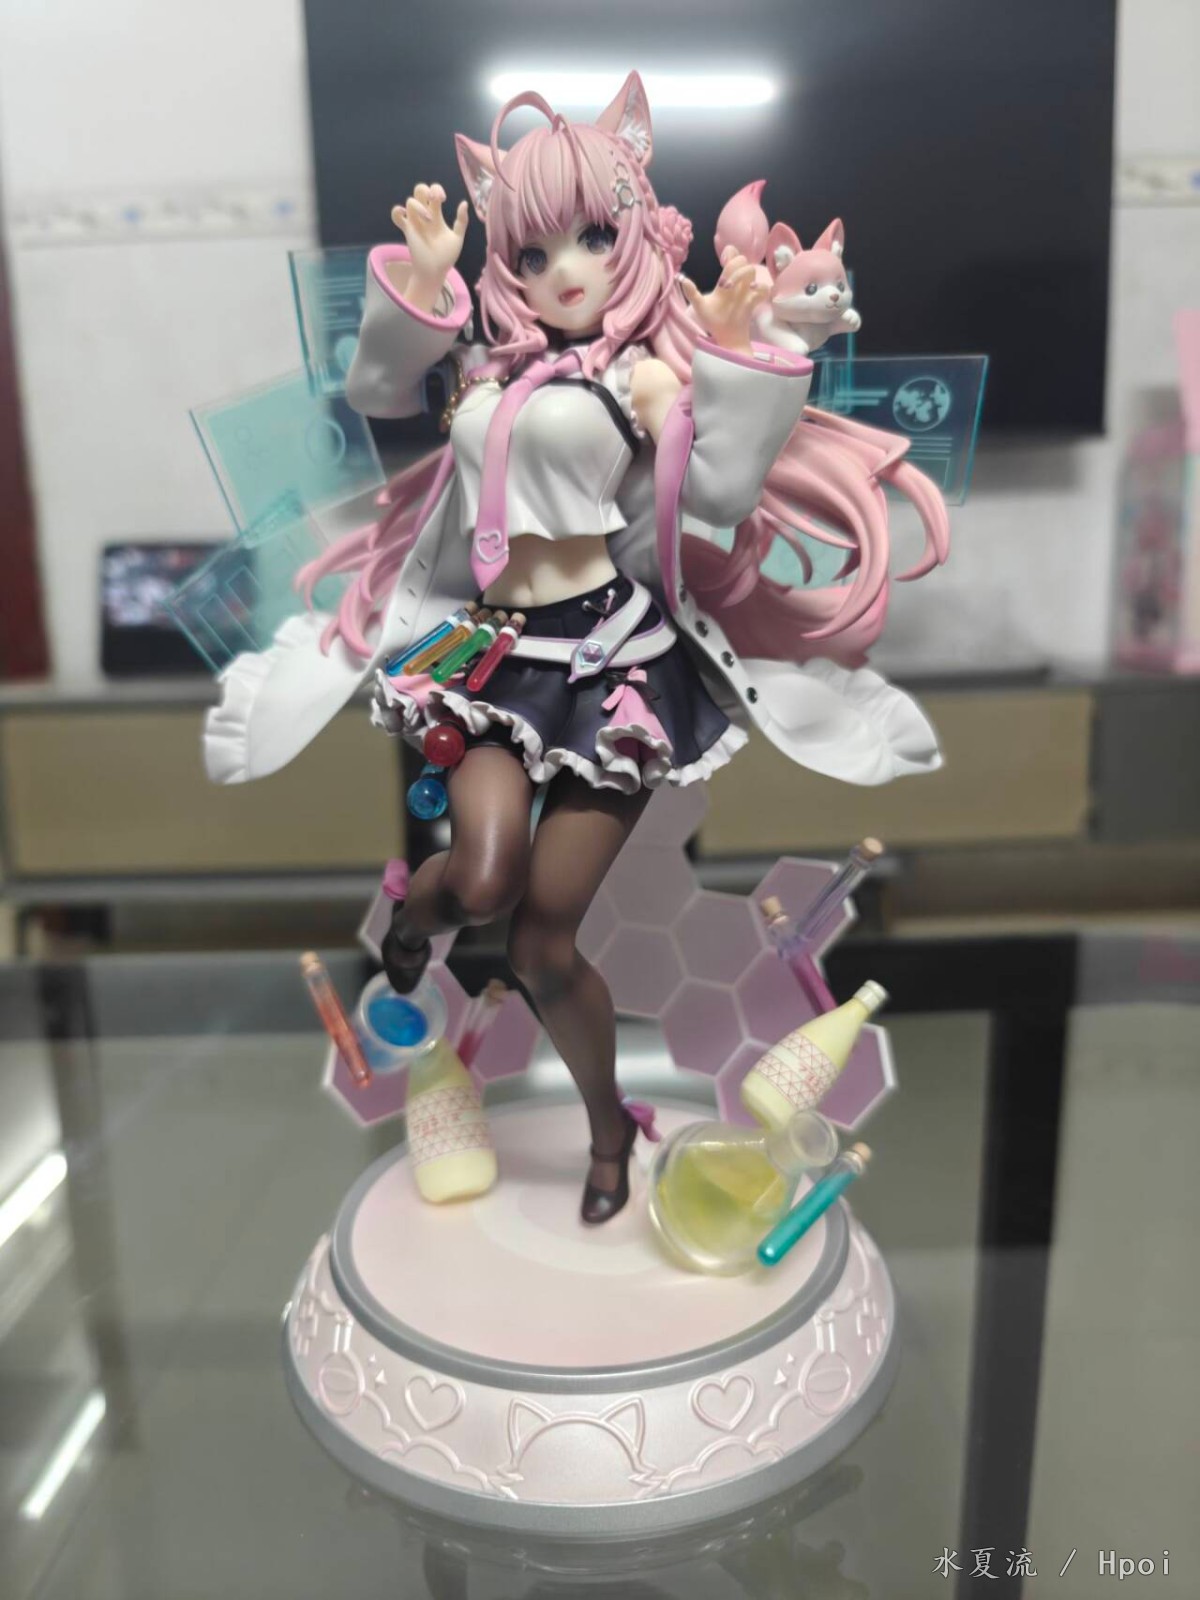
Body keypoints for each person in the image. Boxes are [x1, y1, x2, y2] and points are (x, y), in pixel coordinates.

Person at [204, 72, 949, 1224]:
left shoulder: (640, 373)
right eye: (535, 247)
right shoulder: (482, 364)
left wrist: (737, 358)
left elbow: (718, 488)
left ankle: (610, 1129)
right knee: (481, 875)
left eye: (594, 237)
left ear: (638, 235)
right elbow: (377, 389)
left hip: (609, 662)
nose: (566, 269)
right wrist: (424, 282)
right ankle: (414, 924)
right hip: (490, 649)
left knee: (544, 940)